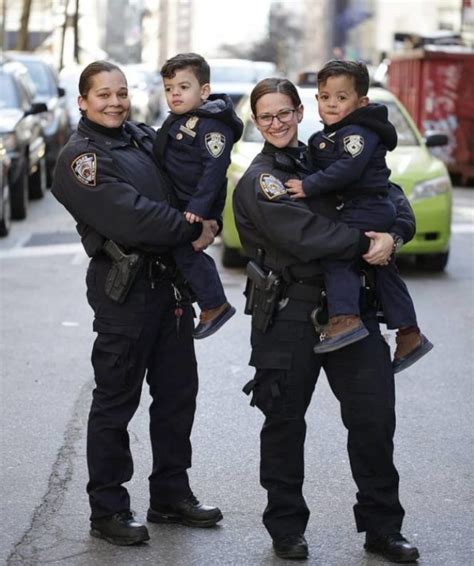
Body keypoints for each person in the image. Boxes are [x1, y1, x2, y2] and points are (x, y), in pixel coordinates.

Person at [233, 77, 420, 562]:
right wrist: (365, 243)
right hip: (290, 315)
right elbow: (305, 234)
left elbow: (392, 197)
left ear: (300, 111)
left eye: (284, 112)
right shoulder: (262, 179)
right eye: (266, 116)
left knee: (374, 422)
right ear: (257, 122)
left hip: (353, 314)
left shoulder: (330, 154)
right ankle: (286, 528)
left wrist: (393, 236)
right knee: (284, 424)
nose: (276, 123)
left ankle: (382, 527)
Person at [52, 60, 223, 547]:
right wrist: (193, 228)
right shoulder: (79, 160)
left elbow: (191, 177)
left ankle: (171, 495)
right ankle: (108, 508)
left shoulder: (144, 137)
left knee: (176, 398)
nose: (114, 102)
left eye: (121, 93)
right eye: (103, 94)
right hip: (124, 290)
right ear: (82, 101)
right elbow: (132, 219)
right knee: (116, 401)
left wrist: (207, 213)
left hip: (170, 288)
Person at [286, 60, 433, 371]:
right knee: (383, 270)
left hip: (367, 207)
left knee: (338, 254)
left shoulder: (358, 132)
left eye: (341, 98)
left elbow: (347, 169)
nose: (332, 104)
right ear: (316, 100)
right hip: (364, 207)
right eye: (325, 97)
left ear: (361, 102)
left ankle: (344, 318)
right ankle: (409, 333)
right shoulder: (326, 136)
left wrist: (308, 186)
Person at [155, 52, 243, 339]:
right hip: (179, 202)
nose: (175, 94)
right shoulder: (182, 118)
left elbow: (215, 170)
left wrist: (199, 208)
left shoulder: (212, 124)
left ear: (204, 90)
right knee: (179, 252)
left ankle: (214, 304)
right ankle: (202, 300)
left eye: (183, 87)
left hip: (193, 206)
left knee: (187, 250)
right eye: (169, 89)